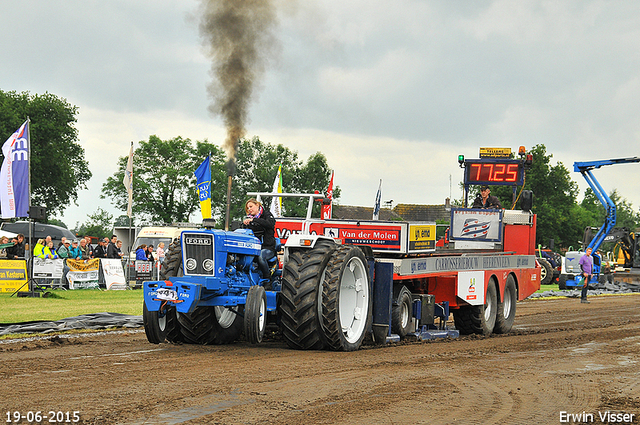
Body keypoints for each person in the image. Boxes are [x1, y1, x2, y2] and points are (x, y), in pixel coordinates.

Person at [242, 198, 277, 279]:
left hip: (267, 248)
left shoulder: (267, 215)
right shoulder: (249, 219)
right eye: (248, 208)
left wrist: (254, 220)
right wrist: (245, 224)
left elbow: (270, 224)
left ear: (257, 205)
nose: (249, 209)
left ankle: (267, 279)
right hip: (253, 247)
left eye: (251, 206)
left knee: (260, 256)